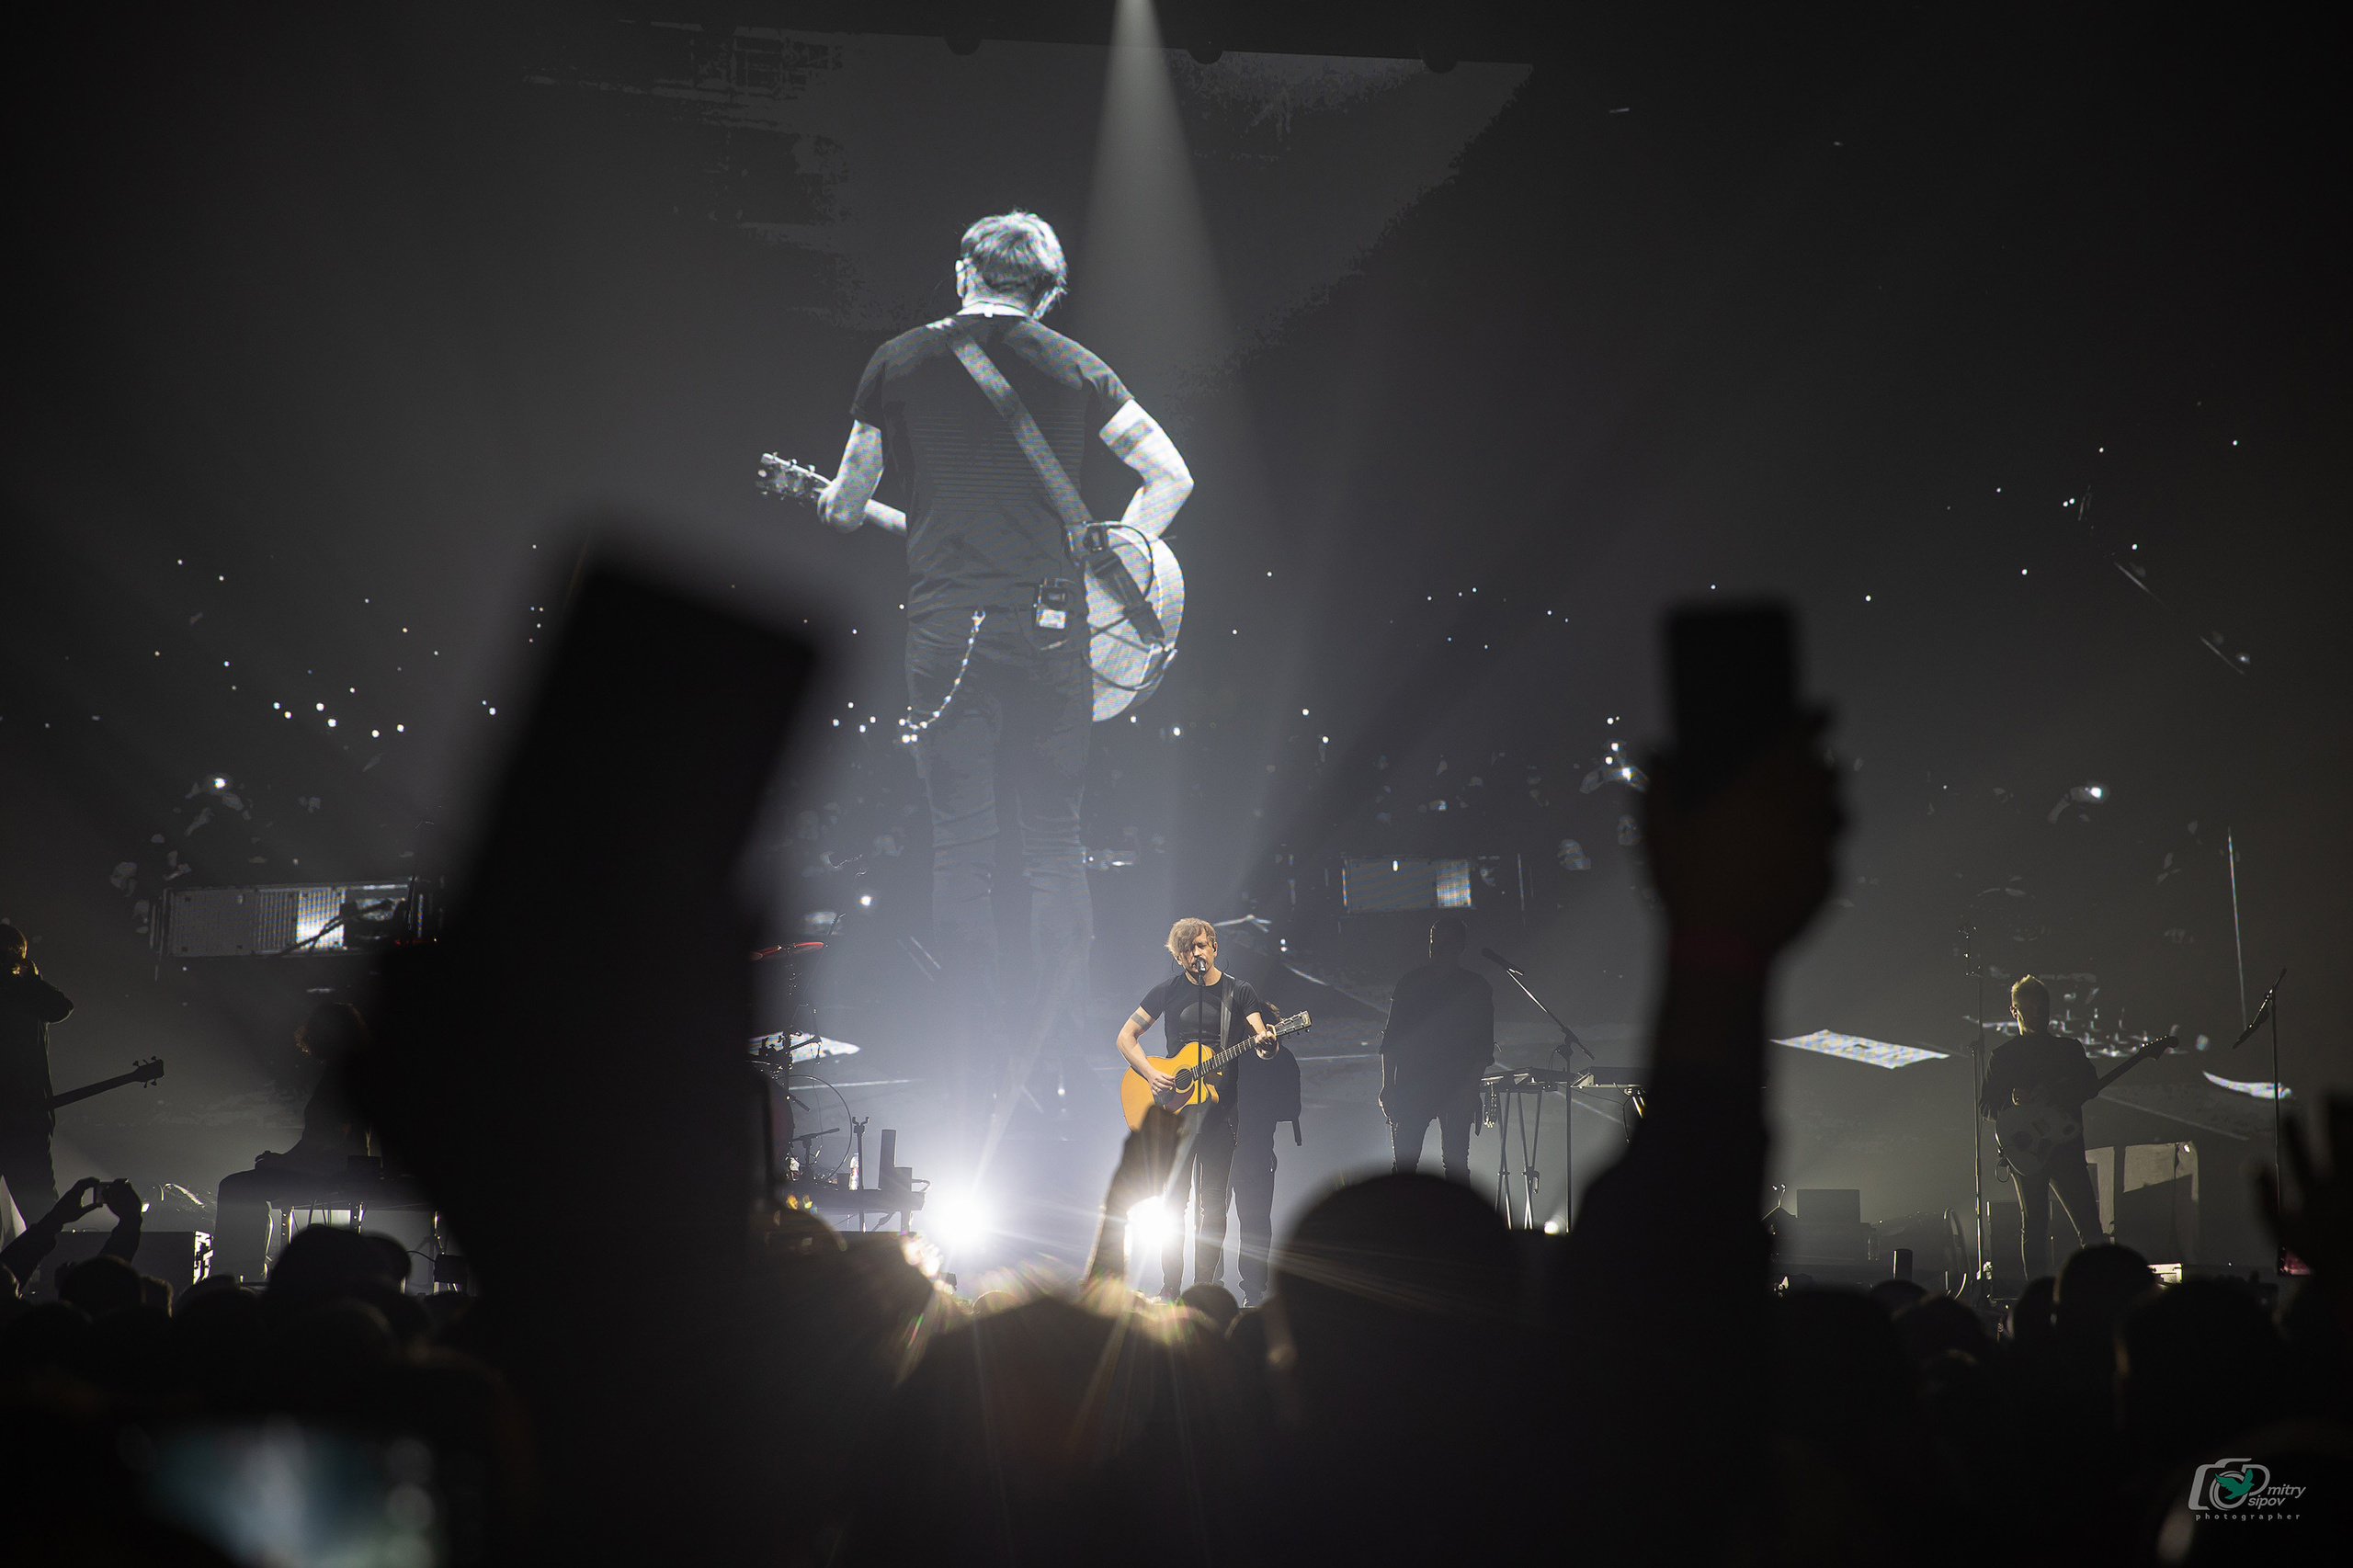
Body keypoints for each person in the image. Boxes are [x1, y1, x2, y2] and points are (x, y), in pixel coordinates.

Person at [815, 211, 1194, 1121]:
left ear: (962, 272)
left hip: (951, 631)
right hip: (1056, 628)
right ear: (1046, 288)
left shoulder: (898, 362)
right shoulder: (1078, 366)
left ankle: (971, 1064)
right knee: (1054, 841)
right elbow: (1172, 476)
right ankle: (1063, 1054)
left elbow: (845, 507)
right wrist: (1115, 555)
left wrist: (826, 495)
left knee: (963, 843)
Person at [1113, 919, 1278, 1299]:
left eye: (1201, 946)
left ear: (1214, 947)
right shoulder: (1167, 991)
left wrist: (1268, 1043)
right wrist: (1152, 1074)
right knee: (1172, 1205)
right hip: (1174, 1112)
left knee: (1213, 1205)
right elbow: (1126, 1036)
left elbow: (1260, 1037)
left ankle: (1205, 1289)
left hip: (1221, 1115)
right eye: (1187, 950)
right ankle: (1170, 1289)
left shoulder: (1239, 992)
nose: (1196, 954)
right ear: (1178, 956)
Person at [213, 1003, 376, 1283]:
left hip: (330, 1172)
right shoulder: (349, 1071)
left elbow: (330, 1136)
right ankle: (247, 1271)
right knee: (245, 1185)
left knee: (235, 1187)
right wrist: (284, 1159)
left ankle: (236, 1274)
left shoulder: (341, 1075)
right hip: (333, 1167)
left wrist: (283, 1161)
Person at [1979, 974, 2103, 1279]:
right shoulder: (2003, 1057)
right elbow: (1986, 1106)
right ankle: (2039, 1297)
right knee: (2034, 1225)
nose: (2038, 1013)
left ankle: (2097, 1291)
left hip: (2066, 1150)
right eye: (2031, 1008)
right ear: (2015, 1011)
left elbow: (2090, 1085)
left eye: (2042, 1007)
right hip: (2028, 1151)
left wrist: (2054, 1093)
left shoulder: (2069, 1049)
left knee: (2089, 1226)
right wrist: (2010, 1102)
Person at [1379, 916, 1495, 1182]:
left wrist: (1469, 1088)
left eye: (1443, 943)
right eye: (1433, 942)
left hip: (1455, 1088)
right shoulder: (1410, 983)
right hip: (1414, 1086)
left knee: (1455, 1167)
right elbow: (1391, 1040)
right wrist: (1388, 1085)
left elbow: (1482, 1048)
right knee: (1406, 1166)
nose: (1436, 948)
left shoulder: (1476, 987)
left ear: (1459, 947)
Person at [0, 922, 74, 1220]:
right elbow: (60, 1007)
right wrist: (32, 978)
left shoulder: (22, 992)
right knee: (41, 1211)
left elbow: (59, 1008)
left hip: (24, 1116)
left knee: (39, 1209)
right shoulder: (24, 991)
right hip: (26, 1116)